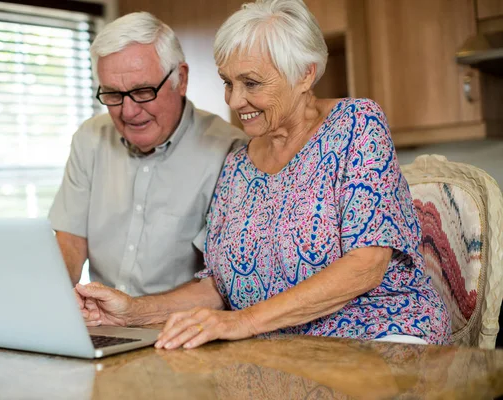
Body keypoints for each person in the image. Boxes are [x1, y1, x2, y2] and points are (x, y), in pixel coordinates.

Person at [74, 0, 452, 348]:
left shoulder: (356, 124)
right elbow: (219, 288)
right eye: (227, 82)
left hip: (377, 337)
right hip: (279, 348)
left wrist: (243, 322)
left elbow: (366, 264)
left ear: (305, 75)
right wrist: (132, 312)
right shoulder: (238, 163)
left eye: (250, 83)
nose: (234, 101)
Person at [49, 12, 245, 296]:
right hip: (103, 325)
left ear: (182, 79)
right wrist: (43, 296)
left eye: (143, 91)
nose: (128, 111)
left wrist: (134, 314)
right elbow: (70, 242)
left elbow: (219, 281)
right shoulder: (89, 138)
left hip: (181, 327)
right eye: (113, 95)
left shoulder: (230, 152)